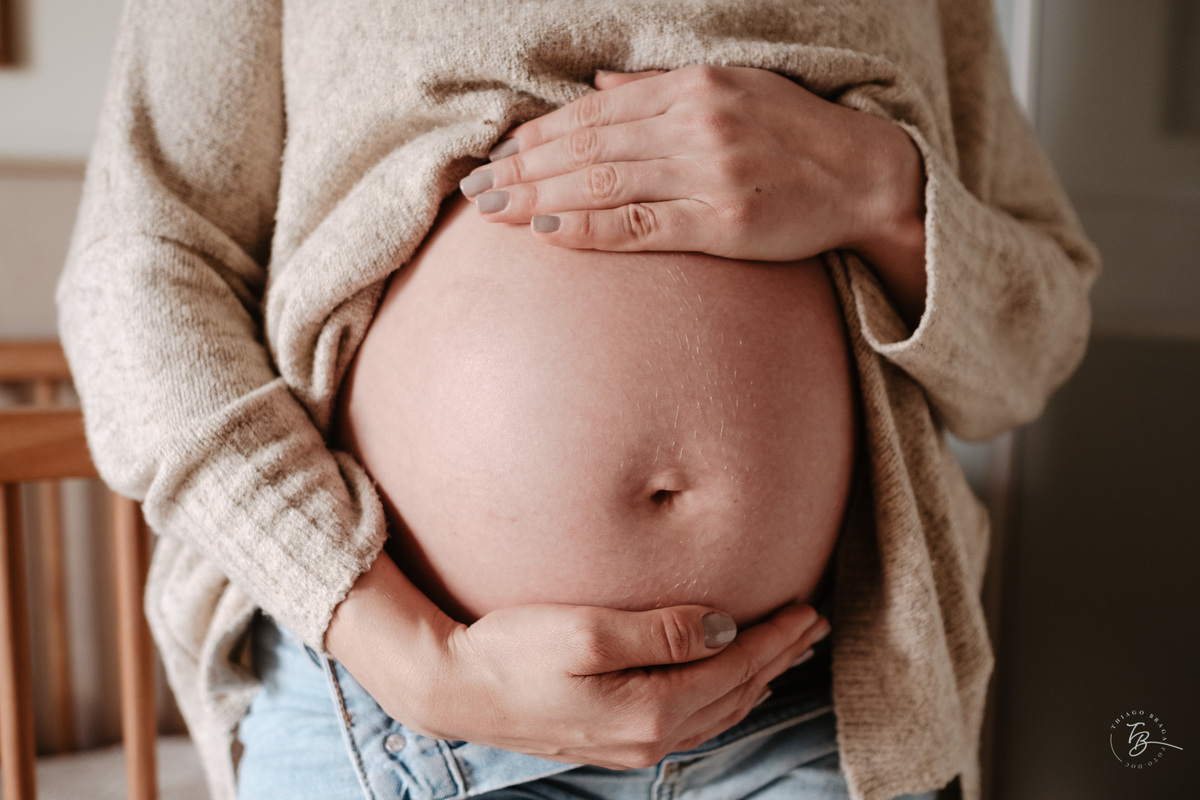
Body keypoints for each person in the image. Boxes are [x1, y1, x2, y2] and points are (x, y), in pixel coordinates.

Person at [56, 1, 1099, 799]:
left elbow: (1037, 339)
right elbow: (135, 274)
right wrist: (411, 657)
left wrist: (879, 189)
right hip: (394, 720)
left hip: (811, 718)